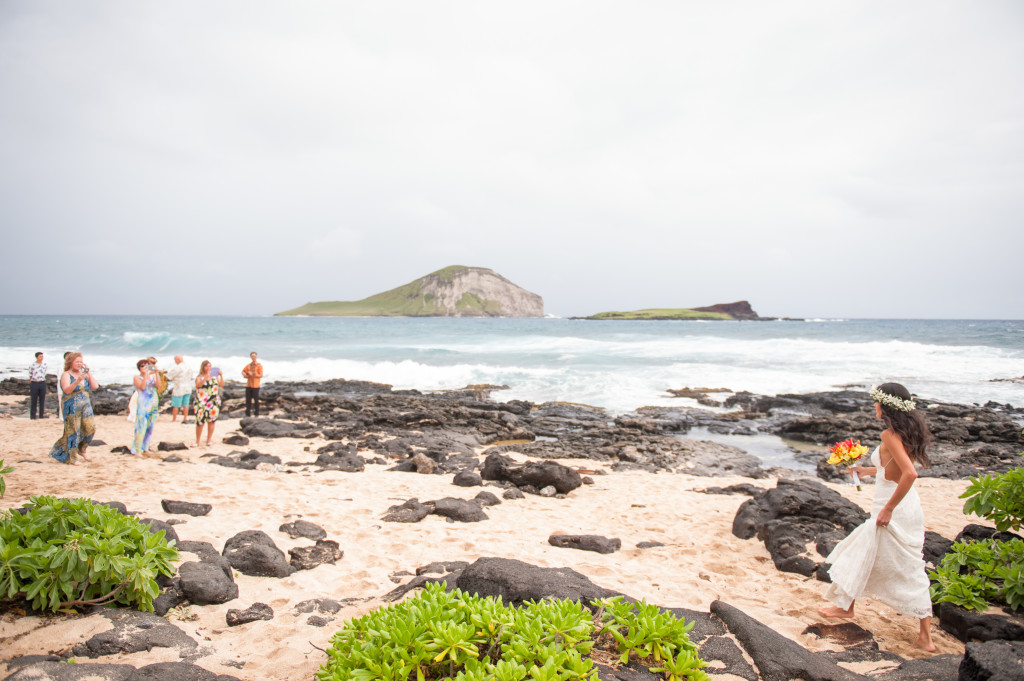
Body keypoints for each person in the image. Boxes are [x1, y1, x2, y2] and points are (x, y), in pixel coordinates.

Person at [818, 382, 936, 652]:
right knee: (865, 552)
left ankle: (925, 638)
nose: (874, 406)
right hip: (904, 506)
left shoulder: (889, 435)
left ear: (887, 405)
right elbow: (891, 471)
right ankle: (845, 607)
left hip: (894, 507)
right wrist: (865, 471)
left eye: (876, 401)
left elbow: (910, 474)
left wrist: (888, 509)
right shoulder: (904, 433)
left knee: (905, 567)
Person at [49, 352, 98, 465]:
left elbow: (95, 386)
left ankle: (81, 449)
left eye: (81, 361)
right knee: (73, 430)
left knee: (90, 428)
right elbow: (66, 390)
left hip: (85, 403)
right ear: (70, 363)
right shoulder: (66, 374)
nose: (79, 364)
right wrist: (77, 380)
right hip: (71, 404)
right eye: (77, 362)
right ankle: (71, 457)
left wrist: (88, 372)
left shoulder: (84, 374)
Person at [131, 358, 159, 455]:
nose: (145, 367)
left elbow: (158, 386)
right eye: (143, 366)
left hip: (153, 402)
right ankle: (137, 449)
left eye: (146, 365)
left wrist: (156, 373)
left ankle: (146, 447)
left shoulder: (152, 376)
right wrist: (146, 375)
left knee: (150, 426)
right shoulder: (137, 377)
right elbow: (142, 387)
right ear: (139, 368)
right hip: (143, 403)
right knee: (141, 426)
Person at [194, 360, 224, 447]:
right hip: (202, 401)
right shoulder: (199, 377)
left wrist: (221, 375)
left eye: (209, 366)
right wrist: (205, 377)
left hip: (213, 401)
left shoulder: (215, 377)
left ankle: (209, 440)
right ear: (203, 367)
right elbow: (198, 385)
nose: (208, 368)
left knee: (211, 421)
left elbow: (221, 384)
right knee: (200, 421)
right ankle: (197, 441)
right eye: (206, 366)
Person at [166, 355, 195, 423]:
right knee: (186, 404)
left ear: (178, 359)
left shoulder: (177, 367)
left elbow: (168, 377)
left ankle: (174, 419)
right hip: (188, 387)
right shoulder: (189, 366)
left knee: (176, 404)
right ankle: (185, 418)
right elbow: (192, 377)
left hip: (179, 387)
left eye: (175, 360)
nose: (175, 361)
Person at [242, 351, 263, 417]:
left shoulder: (259, 365)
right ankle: (247, 413)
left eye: (254, 356)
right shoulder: (248, 365)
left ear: (256, 356)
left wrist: (253, 374)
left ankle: (256, 413)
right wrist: (246, 374)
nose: (253, 357)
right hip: (248, 385)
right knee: (248, 400)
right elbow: (243, 371)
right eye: (252, 356)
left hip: (256, 385)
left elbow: (261, 375)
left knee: (256, 400)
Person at [29, 352, 47, 419]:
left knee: (42, 400)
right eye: (40, 356)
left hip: (42, 382)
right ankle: (33, 416)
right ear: (37, 357)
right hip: (34, 382)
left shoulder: (44, 364)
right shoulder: (32, 365)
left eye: (42, 356)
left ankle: (41, 415)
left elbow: (44, 373)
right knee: (34, 400)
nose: (42, 358)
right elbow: (30, 374)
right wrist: (30, 384)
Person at [56, 351, 71, 420]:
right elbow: (60, 379)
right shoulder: (61, 366)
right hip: (62, 388)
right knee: (62, 402)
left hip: (70, 387)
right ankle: (62, 417)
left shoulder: (72, 366)